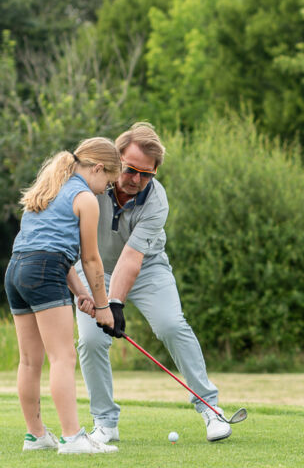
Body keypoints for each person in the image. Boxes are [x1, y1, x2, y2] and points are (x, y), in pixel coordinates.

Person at [74, 123, 232, 443]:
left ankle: (210, 408)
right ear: (117, 159)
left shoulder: (156, 200)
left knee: (171, 325)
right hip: (95, 268)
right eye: (131, 170)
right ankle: (105, 423)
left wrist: (114, 304)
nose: (136, 180)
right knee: (91, 341)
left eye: (146, 174)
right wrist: (102, 300)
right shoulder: (92, 182)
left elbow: (132, 258)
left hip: (148, 267)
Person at [5, 138, 122, 454]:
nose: (104, 190)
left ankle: (37, 435)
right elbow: (91, 260)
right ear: (97, 168)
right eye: (107, 182)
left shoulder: (51, 187)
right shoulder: (85, 198)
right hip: (44, 271)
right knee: (63, 356)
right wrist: (103, 306)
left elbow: (50, 249)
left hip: (16, 271)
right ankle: (72, 438)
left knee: (30, 360)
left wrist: (82, 293)